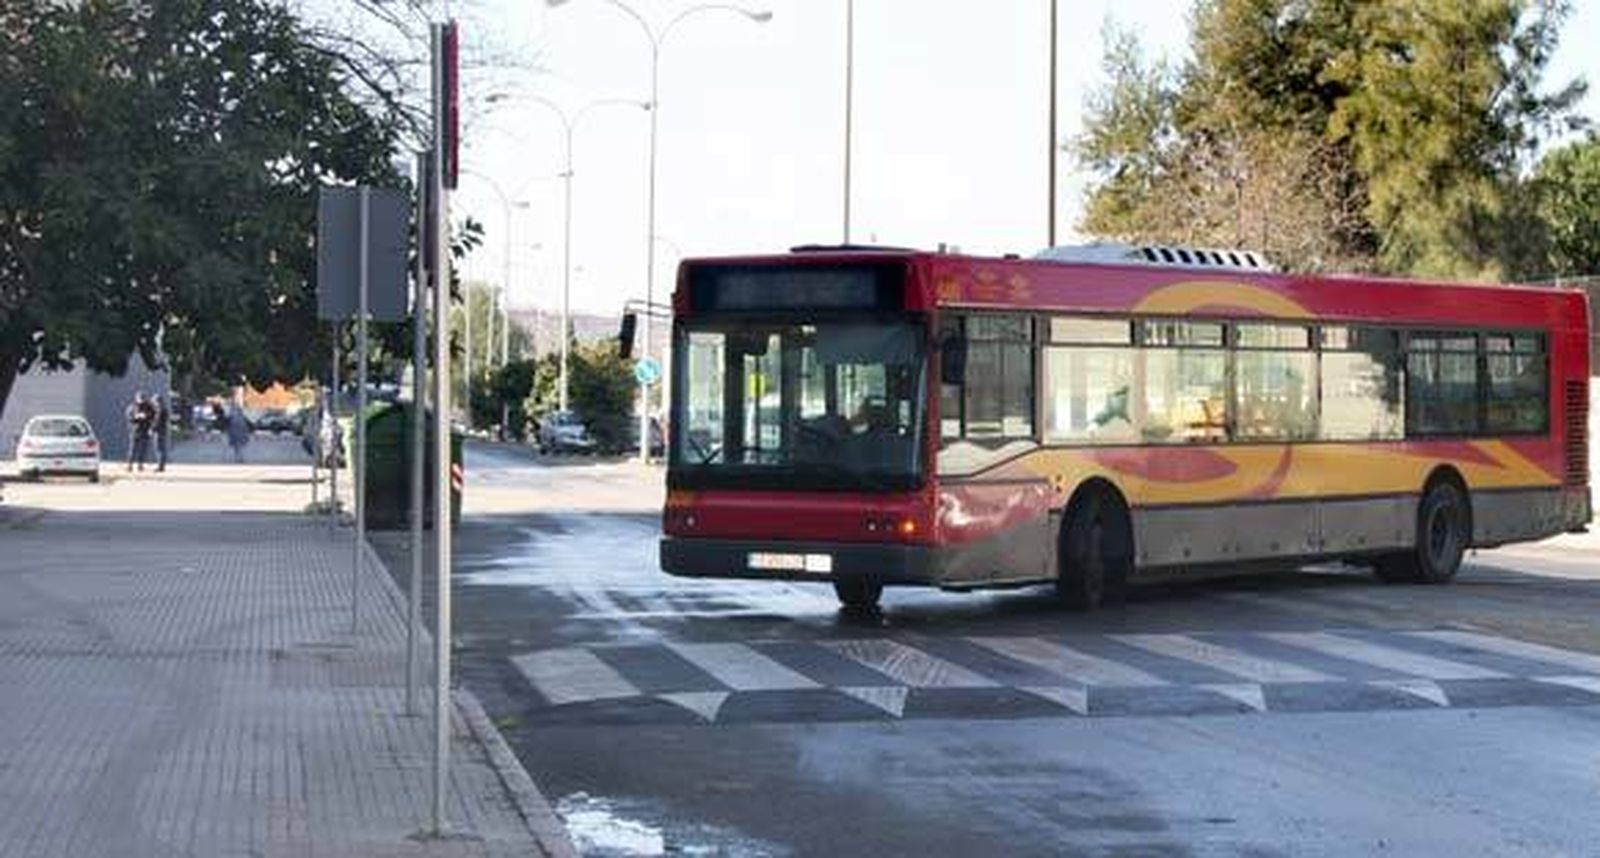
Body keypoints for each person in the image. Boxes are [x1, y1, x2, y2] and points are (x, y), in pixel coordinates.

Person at [126, 392, 154, 471]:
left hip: (144, 430)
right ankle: (130, 465)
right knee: (132, 449)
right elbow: (129, 417)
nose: (141, 401)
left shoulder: (149, 407)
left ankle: (140, 465)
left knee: (143, 449)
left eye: (143, 399)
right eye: (140, 399)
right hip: (135, 431)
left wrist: (146, 416)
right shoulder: (132, 407)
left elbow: (153, 416)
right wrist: (136, 417)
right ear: (136, 399)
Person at [153, 393, 170, 472]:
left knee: (159, 448)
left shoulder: (160, 410)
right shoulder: (163, 409)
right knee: (161, 448)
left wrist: (152, 429)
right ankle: (161, 465)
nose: (154, 403)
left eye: (155, 401)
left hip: (159, 431)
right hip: (163, 430)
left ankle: (160, 466)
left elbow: (157, 421)